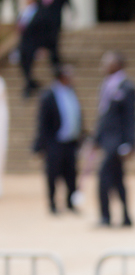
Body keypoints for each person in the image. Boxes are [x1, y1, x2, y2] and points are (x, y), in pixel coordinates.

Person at [94, 51, 135, 228]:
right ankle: (126, 216)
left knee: (104, 177)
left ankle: (106, 216)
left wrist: (130, 143)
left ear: (118, 64)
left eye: (108, 62)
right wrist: (97, 139)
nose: (104, 66)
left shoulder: (127, 87)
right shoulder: (106, 84)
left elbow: (130, 118)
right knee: (118, 179)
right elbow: (103, 116)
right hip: (107, 139)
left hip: (118, 141)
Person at [33, 65, 82, 214]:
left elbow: (77, 115)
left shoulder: (71, 92)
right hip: (54, 142)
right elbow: (42, 122)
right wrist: (41, 145)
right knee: (52, 174)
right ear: (61, 76)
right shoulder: (48, 95)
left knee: (72, 174)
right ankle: (53, 204)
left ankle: (70, 202)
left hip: (70, 142)